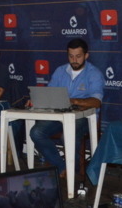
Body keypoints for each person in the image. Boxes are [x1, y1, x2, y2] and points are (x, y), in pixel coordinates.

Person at [29, 38, 103, 177]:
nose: (74, 60)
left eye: (78, 56)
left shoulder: (94, 74)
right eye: (71, 56)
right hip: (59, 116)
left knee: (68, 134)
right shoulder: (60, 71)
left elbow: (96, 102)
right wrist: (36, 100)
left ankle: (71, 168)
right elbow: (49, 93)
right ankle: (62, 166)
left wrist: (72, 101)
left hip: (85, 118)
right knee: (36, 133)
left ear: (86, 55)